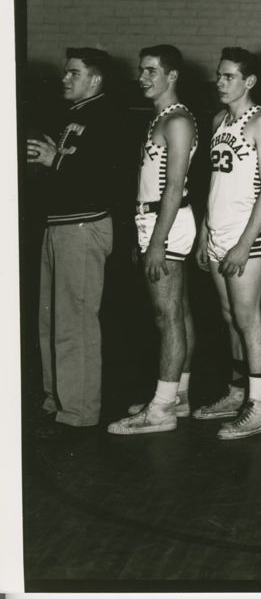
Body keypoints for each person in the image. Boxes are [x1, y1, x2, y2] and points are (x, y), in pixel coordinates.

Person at [28, 47, 120, 431]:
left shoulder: (109, 116)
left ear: (94, 79)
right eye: (66, 73)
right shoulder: (72, 116)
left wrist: (55, 161)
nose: (65, 79)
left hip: (84, 226)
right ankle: (58, 399)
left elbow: (105, 178)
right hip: (59, 224)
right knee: (51, 320)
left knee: (76, 323)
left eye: (73, 73)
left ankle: (80, 411)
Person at [190, 48, 261, 435]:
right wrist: (205, 231)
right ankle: (237, 391)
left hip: (250, 230)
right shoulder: (218, 120)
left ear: (249, 81)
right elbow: (216, 184)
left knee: (248, 317)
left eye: (229, 76)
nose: (220, 82)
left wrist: (245, 242)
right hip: (219, 230)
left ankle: (258, 407)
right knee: (230, 317)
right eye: (219, 75)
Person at [108, 45, 197, 435]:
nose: (143, 78)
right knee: (178, 312)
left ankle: (160, 408)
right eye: (141, 71)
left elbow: (174, 187)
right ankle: (177, 397)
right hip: (156, 222)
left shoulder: (177, 121)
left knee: (168, 316)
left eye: (151, 71)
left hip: (169, 223)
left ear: (171, 76)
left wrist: (157, 241)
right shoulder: (161, 118)